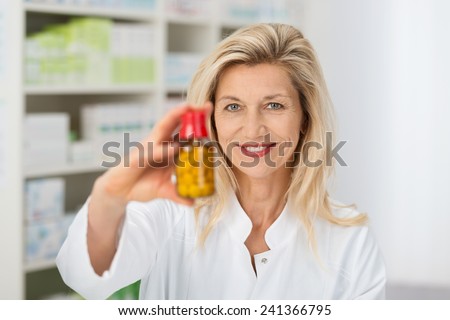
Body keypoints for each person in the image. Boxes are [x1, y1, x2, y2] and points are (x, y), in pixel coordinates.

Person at [56, 23, 386, 299]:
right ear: (211, 121)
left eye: (274, 106)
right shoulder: (172, 207)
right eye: (232, 107)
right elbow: (86, 277)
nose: (253, 130)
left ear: (304, 118)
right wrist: (109, 198)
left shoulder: (350, 238)